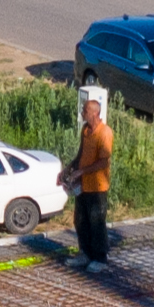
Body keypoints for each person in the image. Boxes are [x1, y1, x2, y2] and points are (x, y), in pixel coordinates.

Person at [65, 85, 118, 266]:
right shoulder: (85, 130)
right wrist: (68, 169)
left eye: (85, 110)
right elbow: (80, 154)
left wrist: (83, 171)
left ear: (95, 113)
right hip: (82, 186)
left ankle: (100, 258)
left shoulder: (105, 133)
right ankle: (85, 253)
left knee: (96, 222)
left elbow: (104, 162)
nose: (82, 113)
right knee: (80, 220)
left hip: (96, 187)